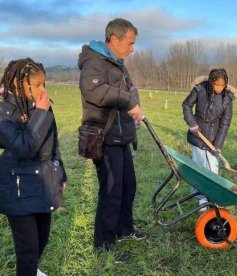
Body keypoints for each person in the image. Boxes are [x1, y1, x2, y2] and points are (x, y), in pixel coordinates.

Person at [78, 18, 146, 255]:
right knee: (111, 191)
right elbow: (94, 91)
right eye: (129, 43)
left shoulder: (117, 63)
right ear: (114, 39)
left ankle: (124, 229)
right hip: (105, 138)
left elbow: (128, 90)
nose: (132, 48)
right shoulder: (94, 62)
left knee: (128, 186)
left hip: (121, 136)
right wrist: (128, 100)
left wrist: (135, 104)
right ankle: (104, 245)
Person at [0, 58, 67, 276]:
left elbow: (52, 142)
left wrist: (61, 174)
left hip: (42, 184)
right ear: (19, 84)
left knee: (41, 240)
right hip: (17, 188)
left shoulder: (40, 106)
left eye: (44, 84)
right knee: (27, 248)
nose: (42, 90)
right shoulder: (3, 111)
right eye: (37, 85)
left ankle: (30, 270)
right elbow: (24, 147)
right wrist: (40, 112)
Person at [183, 69, 234, 209]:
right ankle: (201, 198)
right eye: (216, 84)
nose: (219, 88)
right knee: (199, 167)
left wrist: (218, 145)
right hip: (198, 136)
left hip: (213, 139)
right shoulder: (200, 90)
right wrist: (191, 123)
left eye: (222, 85)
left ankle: (212, 197)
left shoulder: (227, 99)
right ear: (211, 83)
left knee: (213, 169)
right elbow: (186, 104)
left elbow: (225, 123)